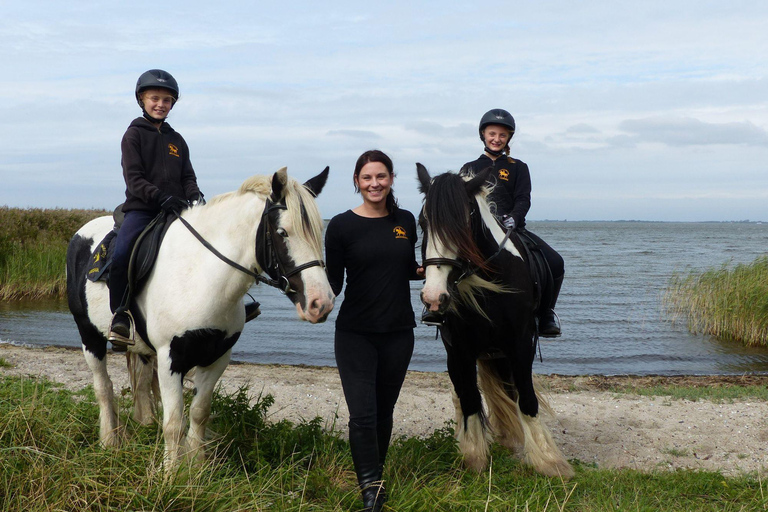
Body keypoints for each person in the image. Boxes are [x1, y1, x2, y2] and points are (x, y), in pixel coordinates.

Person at [325, 150, 423, 511]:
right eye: (367, 178)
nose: (374, 183)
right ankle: (371, 491)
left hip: (399, 332)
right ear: (356, 182)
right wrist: (314, 297)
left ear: (392, 179)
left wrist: (432, 273)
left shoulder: (406, 221)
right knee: (362, 414)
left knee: (384, 412)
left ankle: (375, 475)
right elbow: (334, 281)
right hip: (355, 333)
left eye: (380, 176)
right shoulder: (340, 226)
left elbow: (408, 267)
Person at [107, 69, 205, 349]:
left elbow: (188, 177)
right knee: (123, 252)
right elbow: (134, 179)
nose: (161, 104)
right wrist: (160, 197)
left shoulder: (177, 140)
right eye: (155, 98)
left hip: (176, 209)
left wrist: (195, 196)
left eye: (167, 100)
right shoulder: (133, 135)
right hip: (143, 209)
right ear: (142, 99)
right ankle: (121, 315)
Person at [459, 108, 564, 337]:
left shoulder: (518, 167)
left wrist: (515, 218)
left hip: (512, 228)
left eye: (502, 135)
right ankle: (441, 311)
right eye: (492, 133)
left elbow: (523, 198)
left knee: (555, 262)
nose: (497, 139)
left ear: (509, 138)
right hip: (478, 232)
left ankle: (546, 313)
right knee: (449, 261)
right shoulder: (468, 168)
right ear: (483, 135)